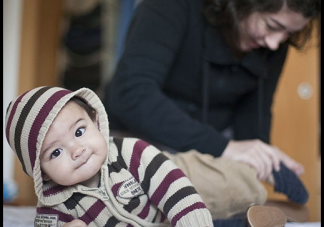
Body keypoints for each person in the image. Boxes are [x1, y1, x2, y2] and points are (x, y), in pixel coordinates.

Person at [6, 86, 306, 227]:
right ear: (40, 171)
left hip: (171, 176)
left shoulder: (132, 152)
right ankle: (252, 222)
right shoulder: (55, 203)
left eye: (80, 131)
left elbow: (178, 193)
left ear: (96, 123)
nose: (77, 149)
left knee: (228, 187)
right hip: (160, 222)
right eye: (56, 152)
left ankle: (264, 170)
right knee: (222, 219)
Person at [104, 0, 321, 182]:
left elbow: (254, 115)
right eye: (272, 25)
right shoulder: (171, 6)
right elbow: (131, 94)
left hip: (209, 147)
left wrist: (263, 159)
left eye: (289, 33)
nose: (275, 43)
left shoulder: (272, 44)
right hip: (138, 137)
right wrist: (224, 147)